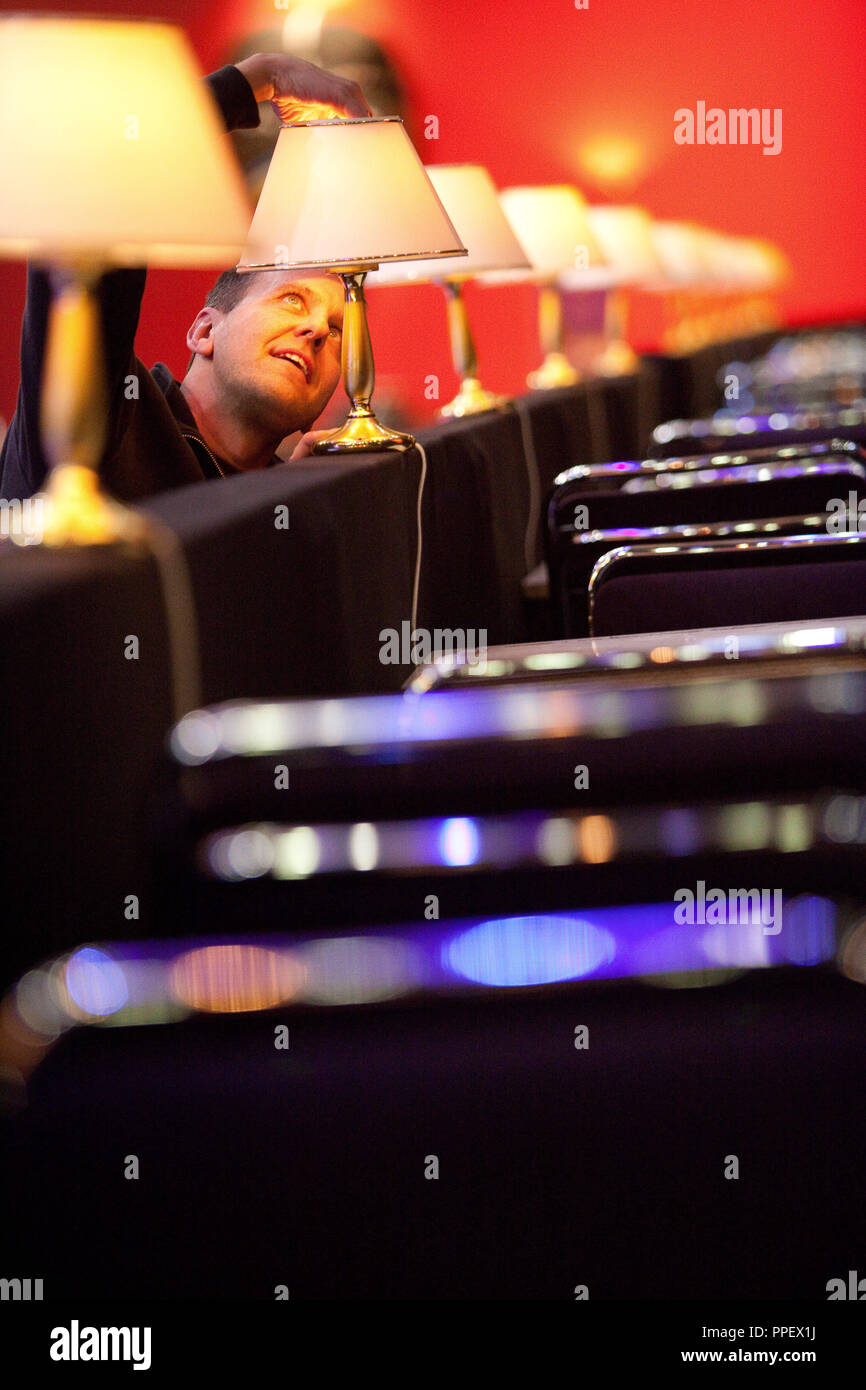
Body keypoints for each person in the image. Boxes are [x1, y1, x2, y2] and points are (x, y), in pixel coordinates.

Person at [0, 53, 371, 503]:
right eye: (292, 299)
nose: (317, 330)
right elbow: (107, 185)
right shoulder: (113, 415)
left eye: (337, 332)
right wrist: (256, 79)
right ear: (205, 330)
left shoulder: (291, 502)